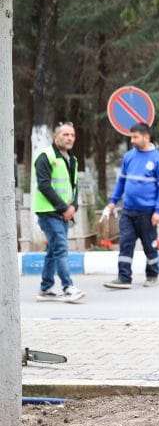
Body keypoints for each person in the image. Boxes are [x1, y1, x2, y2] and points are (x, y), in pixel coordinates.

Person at [103, 123, 159, 289]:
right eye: (131, 137)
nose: (132, 140)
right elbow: (121, 182)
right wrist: (112, 202)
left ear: (146, 137)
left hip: (148, 213)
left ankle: (152, 275)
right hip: (128, 211)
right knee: (125, 243)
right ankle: (124, 277)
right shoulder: (129, 157)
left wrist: (158, 211)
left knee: (150, 246)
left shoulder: (158, 160)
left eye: (135, 137)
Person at [32, 123, 85, 303]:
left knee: (53, 251)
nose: (70, 138)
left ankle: (46, 289)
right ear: (56, 137)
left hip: (63, 213)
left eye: (72, 135)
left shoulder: (72, 159)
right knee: (61, 249)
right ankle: (68, 287)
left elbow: (74, 187)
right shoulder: (46, 156)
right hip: (48, 212)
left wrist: (73, 207)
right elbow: (44, 185)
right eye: (65, 134)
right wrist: (64, 208)